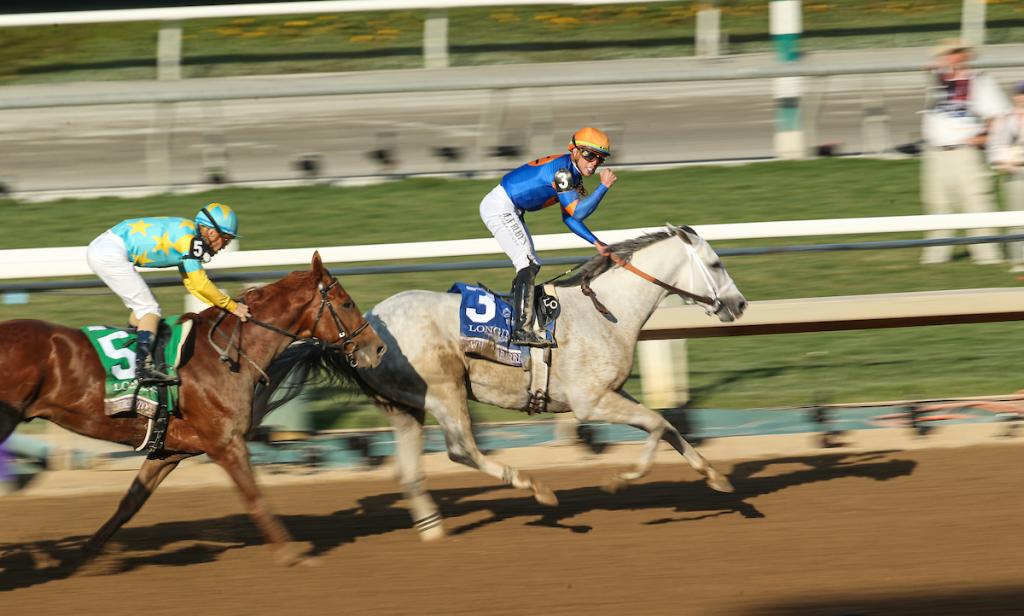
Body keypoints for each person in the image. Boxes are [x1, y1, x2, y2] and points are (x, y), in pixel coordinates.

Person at [480, 127, 617, 347]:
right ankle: (521, 330)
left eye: (599, 159)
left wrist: (596, 242)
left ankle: (517, 319)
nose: (593, 162)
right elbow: (578, 212)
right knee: (527, 262)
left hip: (510, 209)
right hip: (501, 207)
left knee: (531, 264)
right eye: (589, 155)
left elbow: (569, 219)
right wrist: (603, 187)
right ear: (574, 151)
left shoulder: (571, 174)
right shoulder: (562, 173)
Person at [86, 202, 251, 383]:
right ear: (211, 232)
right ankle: (142, 368)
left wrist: (219, 305)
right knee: (150, 310)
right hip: (110, 252)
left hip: (106, 247)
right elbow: (200, 283)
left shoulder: (191, 234)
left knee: (144, 311)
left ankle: (134, 346)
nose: (225, 245)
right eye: (226, 239)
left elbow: (191, 284)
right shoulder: (191, 241)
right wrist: (232, 306)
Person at [919, 40, 1011, 265]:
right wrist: (938, 67)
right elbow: (925, 68)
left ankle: (987, 255)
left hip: (964, 151)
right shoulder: (938, 79)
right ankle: (937, 254)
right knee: (937, 202)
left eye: (953, 54)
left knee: (976, 201)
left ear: (964, 56)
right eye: (945, 54)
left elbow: (999, 114)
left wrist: (984, 137)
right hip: (935, 151)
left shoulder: (979, 80)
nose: (948, 58)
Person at [989, 81, 1024, 271]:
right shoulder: (1006, 118)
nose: (1022, 97)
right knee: (1016, 215)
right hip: (1013, 171)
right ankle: (1018, 259)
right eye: (1019, 94)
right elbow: (996, 144)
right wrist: (1000, 161)